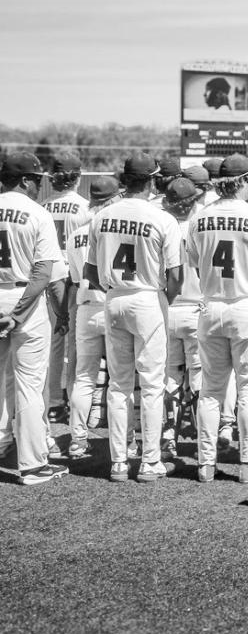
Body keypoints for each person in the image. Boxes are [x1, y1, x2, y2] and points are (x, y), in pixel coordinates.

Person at [85, 152, 182, 483]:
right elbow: (176, 276)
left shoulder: (102, 216)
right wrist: (161, 299)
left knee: (118, 384)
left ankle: (119, 462)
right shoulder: (162, 218)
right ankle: (150, 460)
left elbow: (91, 272)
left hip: (113, 297)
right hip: (147, 297)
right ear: (154, 180)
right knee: (152, 384)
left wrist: (116, 291)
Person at [186, 154, 248, 483]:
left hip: (210, 304)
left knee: (211, 391)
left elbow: (195, 263)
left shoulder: (199, 218)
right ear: (244, 180)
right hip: (247, 304)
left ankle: (206, 464)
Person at [0, 153, 69, 485]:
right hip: (24, 300)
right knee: (29, 384)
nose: (40, 184)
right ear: (26, 180)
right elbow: (43, 273)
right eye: (37, 179)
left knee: (1, 381)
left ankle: (2, 443)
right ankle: (32, 465)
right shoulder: (36, 212)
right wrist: (17, 314)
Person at [63, 176, 120, 459]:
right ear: (113, 199)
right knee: (121, 377)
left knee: (83, 376)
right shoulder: (116, 228)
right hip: (113, 305)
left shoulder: (77, 233)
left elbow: (75, 279)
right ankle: (126, 440)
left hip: (85, 307)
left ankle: (77, 439)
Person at [42, 150, 91, 424]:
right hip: (72, 280)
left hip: (47, 279)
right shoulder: (84, 207)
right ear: (78, 176)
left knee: (52, 345)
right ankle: (74, 401)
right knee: (76, 345)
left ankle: (53, 401)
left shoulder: (43, 206)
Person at [161, 177, 204, 458]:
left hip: (167, 307)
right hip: (197, 309)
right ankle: (204, 442)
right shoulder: (201, 227)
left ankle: (167, 439)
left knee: (170, 378)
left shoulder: (161, 225)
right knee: (200, 378)